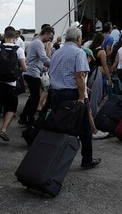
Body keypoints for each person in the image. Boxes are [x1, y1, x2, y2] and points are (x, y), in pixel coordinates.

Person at [49, 26, 101, 169]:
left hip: (56, 93)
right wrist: (80, 98)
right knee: (85, 127)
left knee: (59, 125)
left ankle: (53, 157)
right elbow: (80, 76)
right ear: (79, 39)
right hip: (71, 93)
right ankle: (87, 159)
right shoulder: (79, 53)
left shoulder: (57, 52)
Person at [0, 27, 27, 148]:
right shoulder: (18, 49)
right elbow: (24, 68)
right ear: (15, 36)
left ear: (4, 35)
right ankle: (4, 129)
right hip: (11, 84)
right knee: (11, 107)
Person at [19, 26, 54, 126]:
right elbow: (44, 58)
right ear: (46, 34)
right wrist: (55, 64)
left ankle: (23, 117)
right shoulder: (38, 43)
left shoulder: (35, 41)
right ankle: (30, 119)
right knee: (35, 98)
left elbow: (36, 59)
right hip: (32, 73)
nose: (50, 39)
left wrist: (43, 68)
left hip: (31, 72)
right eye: (50, 36)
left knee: (32, 97)